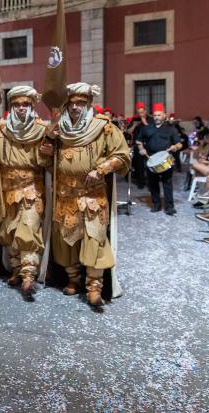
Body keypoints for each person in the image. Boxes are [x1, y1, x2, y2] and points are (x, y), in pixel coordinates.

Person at [48, 83, 130, 311]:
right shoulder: (59, 128)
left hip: (92, 196)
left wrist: (102, 169)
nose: (75, 107)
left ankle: (94, 287)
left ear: (88, 105)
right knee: (67, 241)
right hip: (65, 195)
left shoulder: (104, 127)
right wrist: (48, 144)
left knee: (95, 240)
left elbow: (122, 156)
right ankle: (73, 279)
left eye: (80, 103)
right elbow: (47, 163)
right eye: (71, 103)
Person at [0, 86, 51, 302]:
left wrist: (47, 154)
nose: (20, 108)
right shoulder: (0, 129)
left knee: (28, 228)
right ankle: (17, 270)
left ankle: (29, 276)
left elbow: (45, 164)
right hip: (7, 188)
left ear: (31, 106)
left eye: (25, 104)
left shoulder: (41, 129)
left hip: (31, 188)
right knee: (10, 229)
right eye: (16, 104)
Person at [135, 103, 183, 215]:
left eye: (159, 115)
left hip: (165, 159)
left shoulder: (171, 129)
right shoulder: (147, 128)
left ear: (164, 115)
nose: (157, 117)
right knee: (153, 184)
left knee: (167, 183)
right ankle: (156, 205)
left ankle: (169, 207)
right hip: (151, 159)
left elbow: (180, 144)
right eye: (155, 115)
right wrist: (141, 148)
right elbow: (138, 140)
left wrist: (175, 147)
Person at [127, 102, 149, 189]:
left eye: (142, 112)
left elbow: (151, 130)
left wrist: (144, 122)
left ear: (145, 111)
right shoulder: (134, 119)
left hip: (148, 144)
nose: (141, 114)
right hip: (137, 145)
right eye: (139, 112)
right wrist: (134, 126)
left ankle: (151, 183)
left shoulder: (150, 119)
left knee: (149, 165)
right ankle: (141, 183)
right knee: (138, 165)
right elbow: (128, 131)